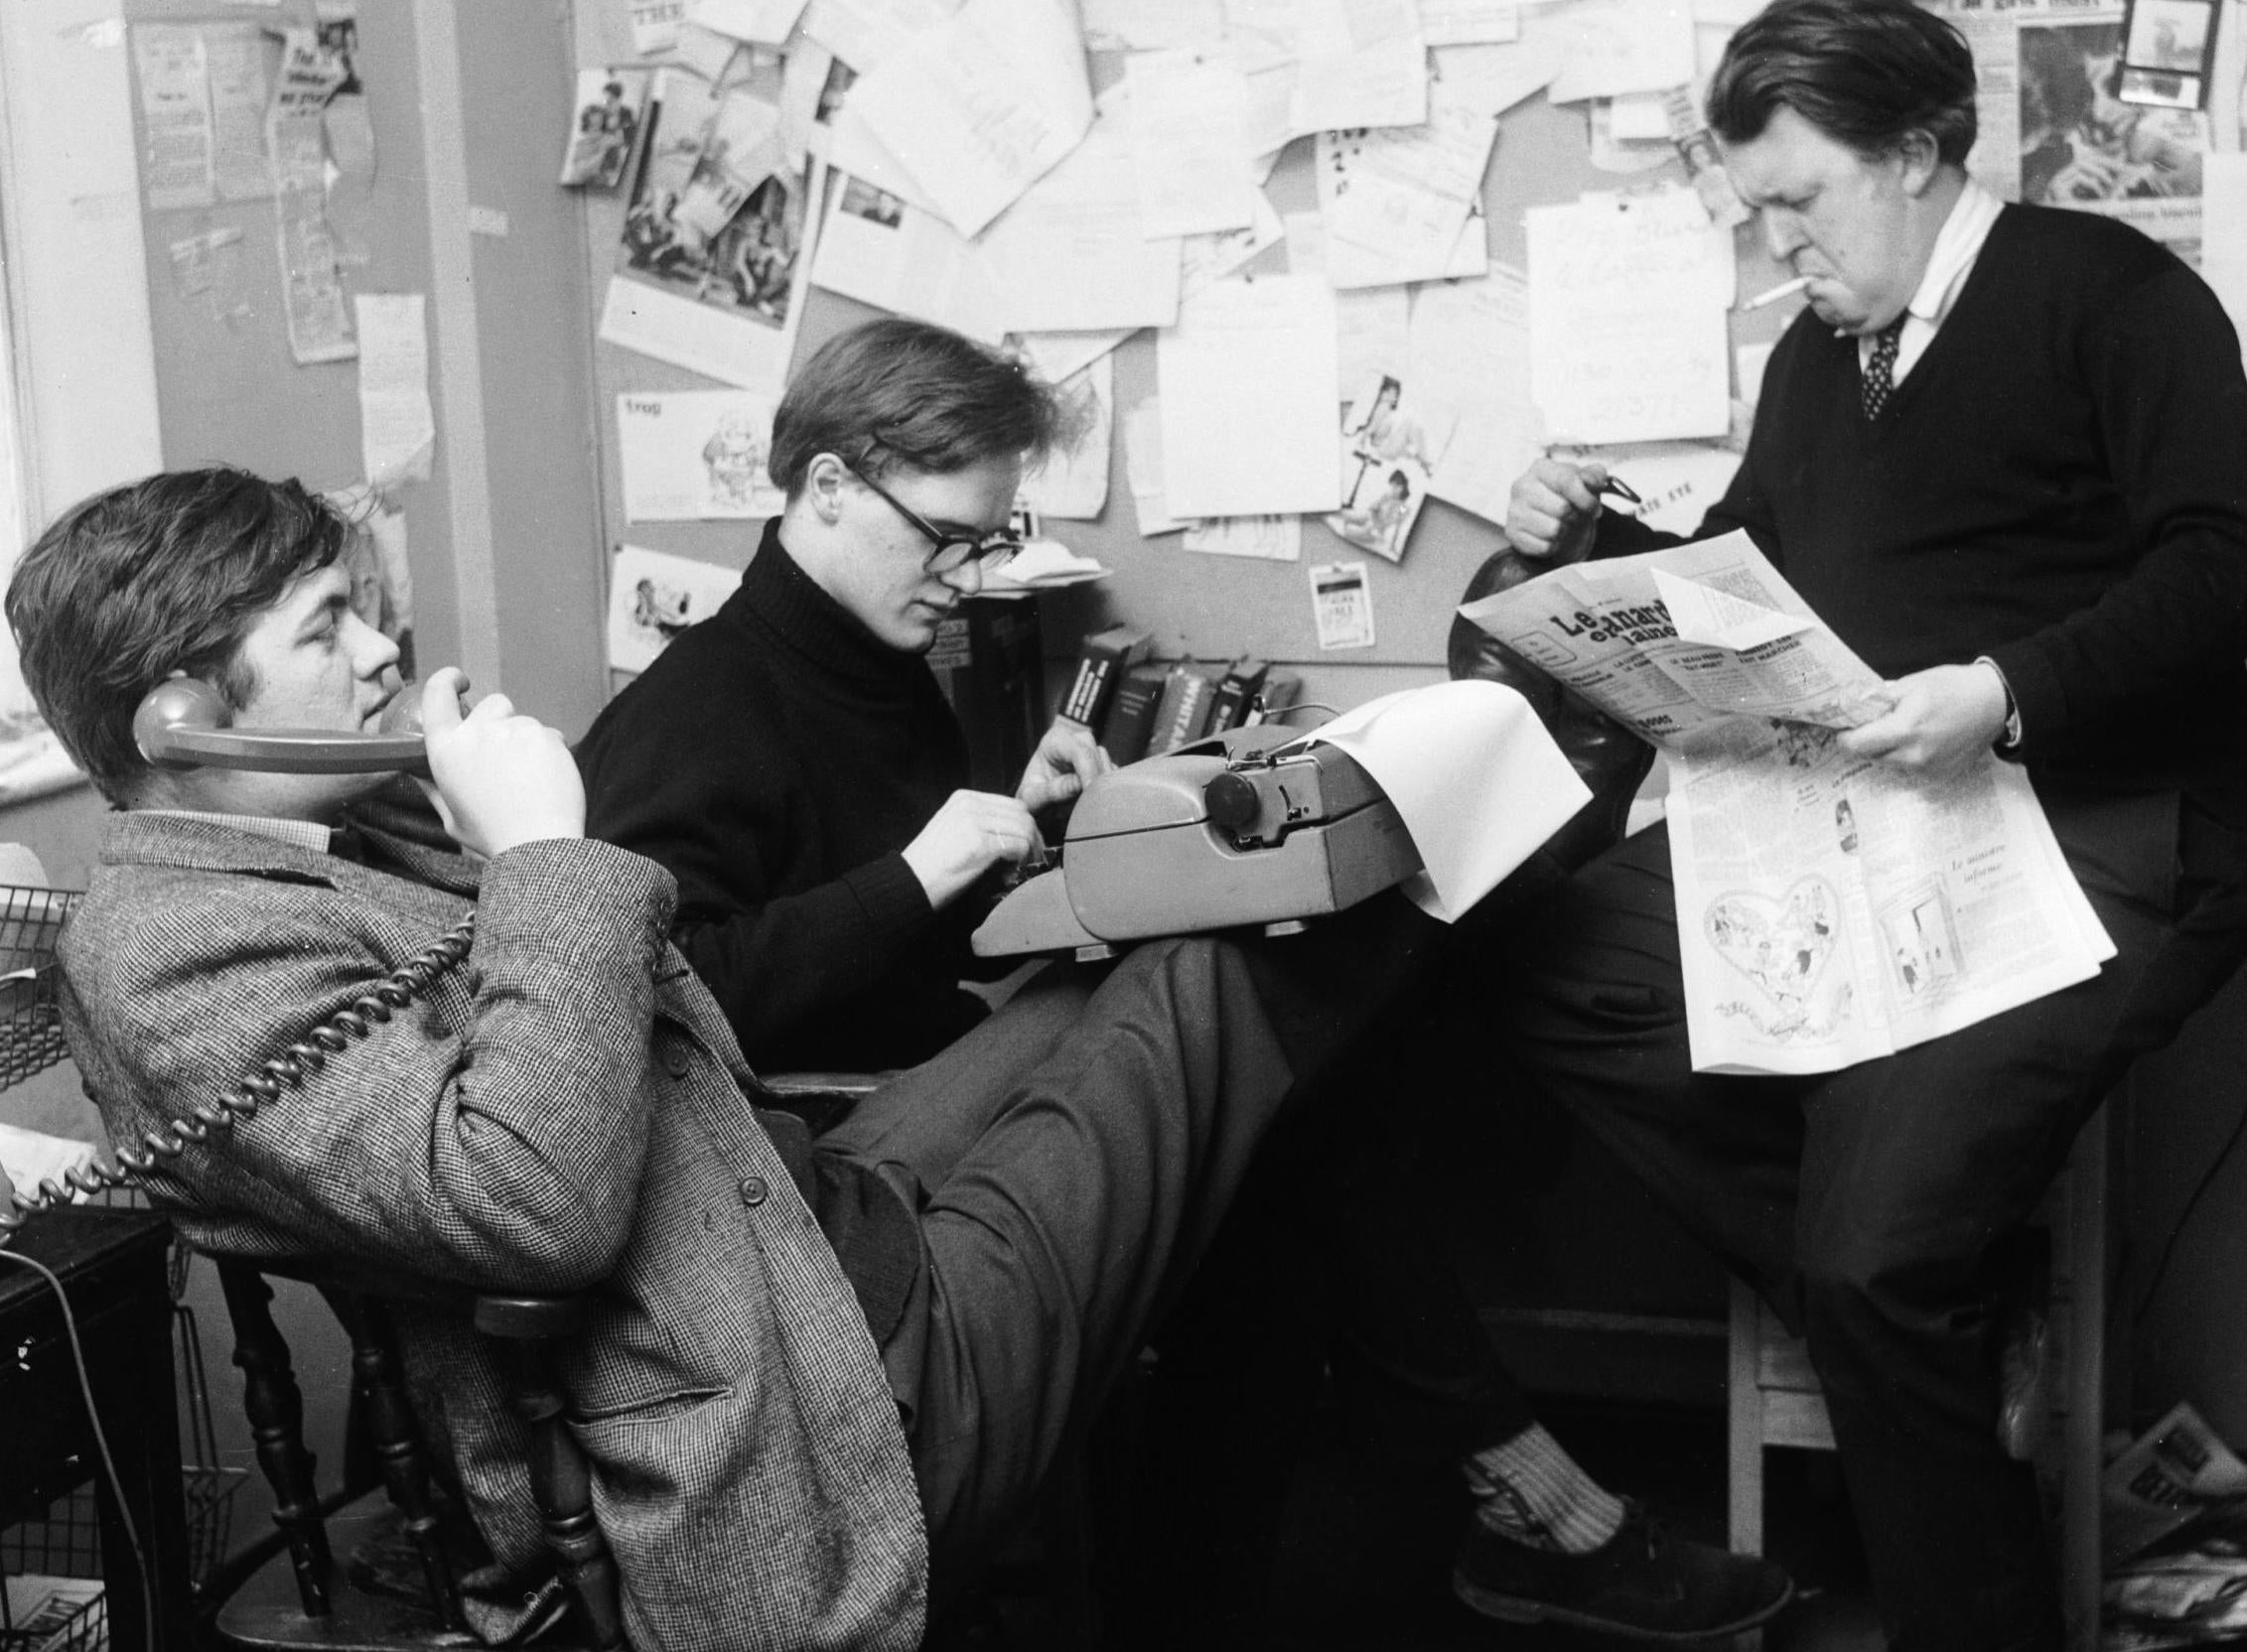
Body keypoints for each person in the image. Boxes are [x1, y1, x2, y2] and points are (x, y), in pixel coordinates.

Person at [5, 466, 1447, 1651]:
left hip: (790, 1215)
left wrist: (477, 826)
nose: (385, 646)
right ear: (178, 720)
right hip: (816, 1401)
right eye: (329, 626)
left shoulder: (329, 837)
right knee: (1239, 963)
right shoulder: (167, 954)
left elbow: (655, 1024)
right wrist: (545, 851)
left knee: (1138, 961)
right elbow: (529, 1196)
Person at [577, 317, 1794, 1644]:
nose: (967, 576)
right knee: (1288, 1099)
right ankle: (1502, 1492)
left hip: (949, 1070)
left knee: (1287, 1113)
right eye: (949, 538)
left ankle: (1291, 1568)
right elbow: (659, 1007)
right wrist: (921, 876)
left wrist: (1023, 843)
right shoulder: (699, 706)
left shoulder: (875, 661)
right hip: (837, 1175)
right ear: (824, 486)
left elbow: (880, 922)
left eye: (989, 539)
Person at [1493, 0, 2247, 1652]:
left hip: (2106, 830)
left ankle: (1944, 1501)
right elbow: (1737, 583)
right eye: (1757, 207)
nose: (1777, 241)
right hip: (1871, 831)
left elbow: (2231, 571)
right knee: (1515, 955)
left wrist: (1998, 689)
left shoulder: (2115, 295)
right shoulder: (1815, 356)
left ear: (1919, 155)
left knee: (1869, 1262)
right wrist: (1571, 553)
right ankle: (1932, 1300)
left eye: (1800, 199)